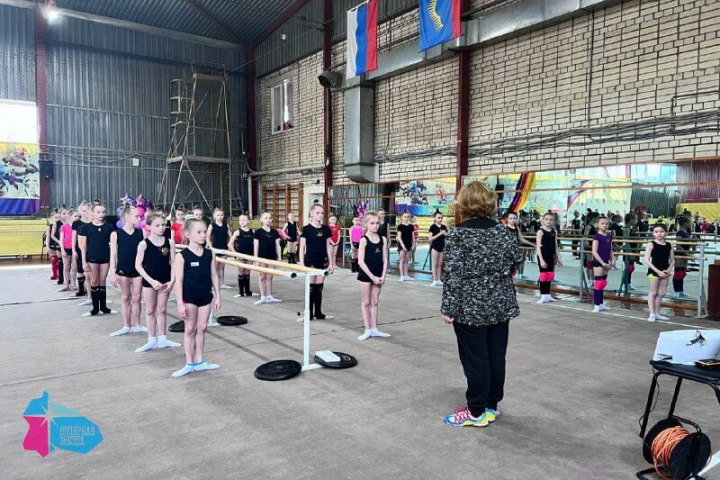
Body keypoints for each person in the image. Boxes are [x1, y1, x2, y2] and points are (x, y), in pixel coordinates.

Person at [440, 181, 521, 428]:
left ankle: (475, 412)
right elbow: (515, 263)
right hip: (500, 304)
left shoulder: (457, 235)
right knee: (496, 356)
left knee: (475, 359)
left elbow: (452, 275)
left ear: (464, 203)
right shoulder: (504, 232)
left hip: (469, 307)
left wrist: (448, 308)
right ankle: (490, 406)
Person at [172, 218, 221, 377]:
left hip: (205, 296)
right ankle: (189, 362)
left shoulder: (209, 254)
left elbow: (214, 275)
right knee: (190, 328)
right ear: (188, 234)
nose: (203, 235)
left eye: (205, 232)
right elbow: (179, 281)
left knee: (202, 328)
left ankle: (200, 361)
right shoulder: (182, 256)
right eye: (198, 232)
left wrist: (218, 296)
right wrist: (180, 303)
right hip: (189, 298)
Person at [135, 213, 180, 352]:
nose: (161, 228)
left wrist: (172, 280)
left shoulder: (170, 242)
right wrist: (151, 280)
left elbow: (173, 262)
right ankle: (151, 339)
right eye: (157, 225)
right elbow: (138, 265)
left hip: (165, 280)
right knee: (150, 310)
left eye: (163, 225)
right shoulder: (144, 244)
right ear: (149, 227)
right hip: (150, 281)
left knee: (162, 309)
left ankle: (162, 338)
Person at [108, 206, 145, 336]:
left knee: (137, 297)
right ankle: (126, 325)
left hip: (138, 269)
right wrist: (112, 272)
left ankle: (137, 324)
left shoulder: (141, 233)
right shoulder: (116, 234)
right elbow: (113, 254)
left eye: (140, 216)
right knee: (125, 297)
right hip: (123, 268)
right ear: (127, 218)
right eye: (137, 216)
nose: (139, 218)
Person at [79, 203, 116, 317]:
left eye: (103, 212)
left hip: (105, 258)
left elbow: (114, 244)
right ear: (93, 213)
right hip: (92, 258)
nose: (101, 214)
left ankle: (104, 307)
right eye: (98, 212)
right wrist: (84, 262)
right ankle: (95, 309)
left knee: (102, 281)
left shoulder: (109, 227)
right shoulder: (86, 228)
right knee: (94, 282)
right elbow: (83, 246)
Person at [298, 204, 335, 320]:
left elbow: (328, 247)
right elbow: (302, 247)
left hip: (322, 261)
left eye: (322, 213)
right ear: (312, 214)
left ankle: (318, 313)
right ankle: (308, 314)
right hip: (310, 261)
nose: (320, 215)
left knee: (319, 288)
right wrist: (301, 263)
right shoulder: (306, 229)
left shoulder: (326, 229)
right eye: (318, 213)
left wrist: (331, 263)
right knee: (311, 288)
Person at [357, 212, 390, 340]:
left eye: (377, 223)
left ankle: (374, 328)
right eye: (372, 223)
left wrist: (383, 275)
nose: (375, 226)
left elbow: (385, 259)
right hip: (366, 275)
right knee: (366, 302)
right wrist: (372, 277)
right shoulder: (363, 240)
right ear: (366, 224)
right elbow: (361, 261)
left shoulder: (383, 239)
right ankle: (367, 329)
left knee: (375, 302)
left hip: (378, 274)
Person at [645, 224, 674, 322]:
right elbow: (647, 260)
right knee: (653, 292)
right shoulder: (651, 244)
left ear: (666, 233)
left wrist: (668, 270)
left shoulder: (669, 245)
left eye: (661, 231)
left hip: (665, 271)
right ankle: (652, 313)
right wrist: (657, 271)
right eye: (656, 232)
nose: (659, 234)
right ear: (653, 233)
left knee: (661, 292)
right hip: (654, 271)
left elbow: (672, 260)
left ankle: (657, 313)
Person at [253, 211, 283, 305]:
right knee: (262, 277)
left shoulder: (274, 232)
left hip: (272, 257)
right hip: (262, 257)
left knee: (270, 277)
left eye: (270, 218)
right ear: (261, 220)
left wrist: (279, 258)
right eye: (265, 218)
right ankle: (263, 296)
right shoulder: (258, 232)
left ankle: (269, 296)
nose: (268, 220)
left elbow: (277, 245)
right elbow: (256, 246)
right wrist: (256, 259)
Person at [536, 212, 562, 304]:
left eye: (551, 220)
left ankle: (548, 295)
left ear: (554, 221)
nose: (548, 221)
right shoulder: (540, 232)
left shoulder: (554, 232)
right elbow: (538, 247)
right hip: (543, 256)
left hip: (551, 256)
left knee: (550, 275)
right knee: (543, 275)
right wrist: (541, 260)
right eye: (546, 219)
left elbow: (555, 245)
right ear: (543, 220)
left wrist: (558, 258)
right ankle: (543, 295)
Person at [591, 216, 614, 313]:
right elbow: (594, 251)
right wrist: (603, 263)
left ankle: (601, 303)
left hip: (606, 262)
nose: (605, 225)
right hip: (598, 262)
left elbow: (610, 250)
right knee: (598, 283)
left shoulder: (609, 236)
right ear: (597, 225)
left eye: (607, 224)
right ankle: (596, 304)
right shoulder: (597, 237)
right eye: (602, 223)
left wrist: (613, 259)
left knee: (603, 283)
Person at [229, 213, 255, 298]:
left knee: (247, 273)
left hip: (250, 255)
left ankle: (248, 291)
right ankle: (241, 292)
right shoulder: (237, 232)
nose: (242, 222)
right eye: (240, 220)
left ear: (249, 221)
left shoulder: (252, 232)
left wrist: (255, 255)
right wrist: (235, 254)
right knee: (241, 272)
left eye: (244, 220)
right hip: (240, 255)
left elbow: (255, 244)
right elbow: (230, 244)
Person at [504, 211, 535, 279]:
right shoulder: (504, 228)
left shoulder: (516, 228)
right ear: (507, 219)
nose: (513, 220)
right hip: (507, 251)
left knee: (514, 268)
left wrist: (532, 244)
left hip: (515, 251)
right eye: (511, 218)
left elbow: (521, 239)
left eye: (514, 218)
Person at [207, 208, 231, 289]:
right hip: (215, 248)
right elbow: (207, 237)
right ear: (214, 217)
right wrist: (210, 247)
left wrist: (229, 246)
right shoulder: (211, 226)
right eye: (218, 215)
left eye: (221, 215)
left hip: (224, 248)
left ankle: (222, 283)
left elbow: (230, 236)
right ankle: (215, 283)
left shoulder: (226, 226)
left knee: (222, 267)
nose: (220, 217)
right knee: (215, 267)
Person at [72, 202, 91, 302]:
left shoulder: (92, 222)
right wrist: (74, 250)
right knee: (80, 269)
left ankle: (90, 291)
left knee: (90, 272)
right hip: (80, 249)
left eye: (87, 211)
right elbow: (73, 238)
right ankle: (81, 289)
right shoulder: (76, 223)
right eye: (83, 211)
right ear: (80, 211)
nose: (85, 213)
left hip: (91, 249)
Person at [58, 209, 77, 292]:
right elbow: (61, 239)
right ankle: (66, 284)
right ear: (70, 216)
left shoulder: (78, 227)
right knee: (66, 267)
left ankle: (73, 284)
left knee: (74, 268)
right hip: (66, 248)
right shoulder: (64, 227)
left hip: (75, 249)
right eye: (75, 216)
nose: (77, 218)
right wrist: (62, 250)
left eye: (78, 216)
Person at [673, 216, 692, 299]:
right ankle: (676, 291)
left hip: (685, 254)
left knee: (682, 273)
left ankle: (680, 291)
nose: (690, 224)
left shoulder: (687, 232)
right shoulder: (679, 233)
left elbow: (689, 244)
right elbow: (678, 245)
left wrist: (688, 253)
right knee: (678, 273)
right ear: (685, 223)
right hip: (680, 254)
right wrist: (686, 253)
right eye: (689, 222)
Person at [427, 211, 448, 287]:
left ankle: (438, 280)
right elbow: (430, 238)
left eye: (441, 218)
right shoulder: (432, 227)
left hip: (442, 247)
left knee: (439, 264)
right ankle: (434, 280)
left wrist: (445, 234)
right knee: (435, 264)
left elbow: (448, 236)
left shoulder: (444, 227)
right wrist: (439, 234)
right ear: (435, 218)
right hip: (435, 247)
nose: (440, 219)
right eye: (439, 218)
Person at [396, 212, 415, 281]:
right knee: (402, 260)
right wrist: (402, 245)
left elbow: (413, 236)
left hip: (409, 244)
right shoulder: (400, 226)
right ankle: (402, 276)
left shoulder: (411, 226)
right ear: (402, 217)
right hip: (402, 245)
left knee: (406, 261)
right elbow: (399, 237)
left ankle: (406, 275)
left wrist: (414, 244)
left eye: (407, 217)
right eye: (405, 217)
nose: (406, 218)